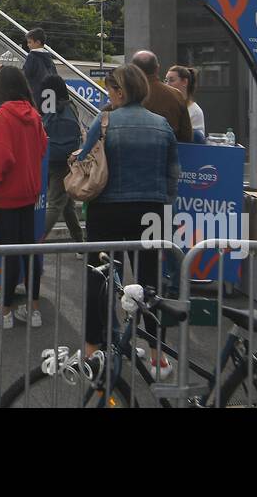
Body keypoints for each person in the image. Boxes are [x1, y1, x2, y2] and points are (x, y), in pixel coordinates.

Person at [72, 64, 179, 376]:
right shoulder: (161, 124)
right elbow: (173, 173)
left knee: (101, 277)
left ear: (120, 91)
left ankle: (93, 349)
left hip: (108, 210)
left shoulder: (105, 120)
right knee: (151, 282)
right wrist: (162, 200)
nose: (109, 94)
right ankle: (159, 357)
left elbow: (84, 159)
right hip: (152, 210)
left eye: (110, 89)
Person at [0, 66, 48, 330]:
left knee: (8, 251)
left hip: (6, 194)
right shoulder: (35, 116)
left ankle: (3, 312)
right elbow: (42, 147)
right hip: (29, 193)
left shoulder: (4, 116)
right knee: (29, 252)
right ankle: (34, 309)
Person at [40, 74, 83, 245]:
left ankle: (79, 241)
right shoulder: (70, 107)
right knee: (59, 203)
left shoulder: (48, 106)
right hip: (64, 161)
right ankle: (37, 241)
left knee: (65, 204)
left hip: (48, 159)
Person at [129, 50, 193, 143]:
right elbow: (186, 136)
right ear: (157, 68)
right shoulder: (176, 95)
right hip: (166, 153)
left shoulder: (124, 95)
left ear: (133, 70)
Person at [166, 64, 206, 143]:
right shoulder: (165, 105)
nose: (167, 84)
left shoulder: (195, 111)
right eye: (166, 80)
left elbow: (196, 140)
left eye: (172, 80)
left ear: (184, 82)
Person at [22, 28, 58, 108]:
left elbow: (25, 74)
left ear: (38, 42)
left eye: (30, 42)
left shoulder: (32, 56)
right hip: (50, 97)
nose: (28, 45)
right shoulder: (49, 58)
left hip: (37, 96)